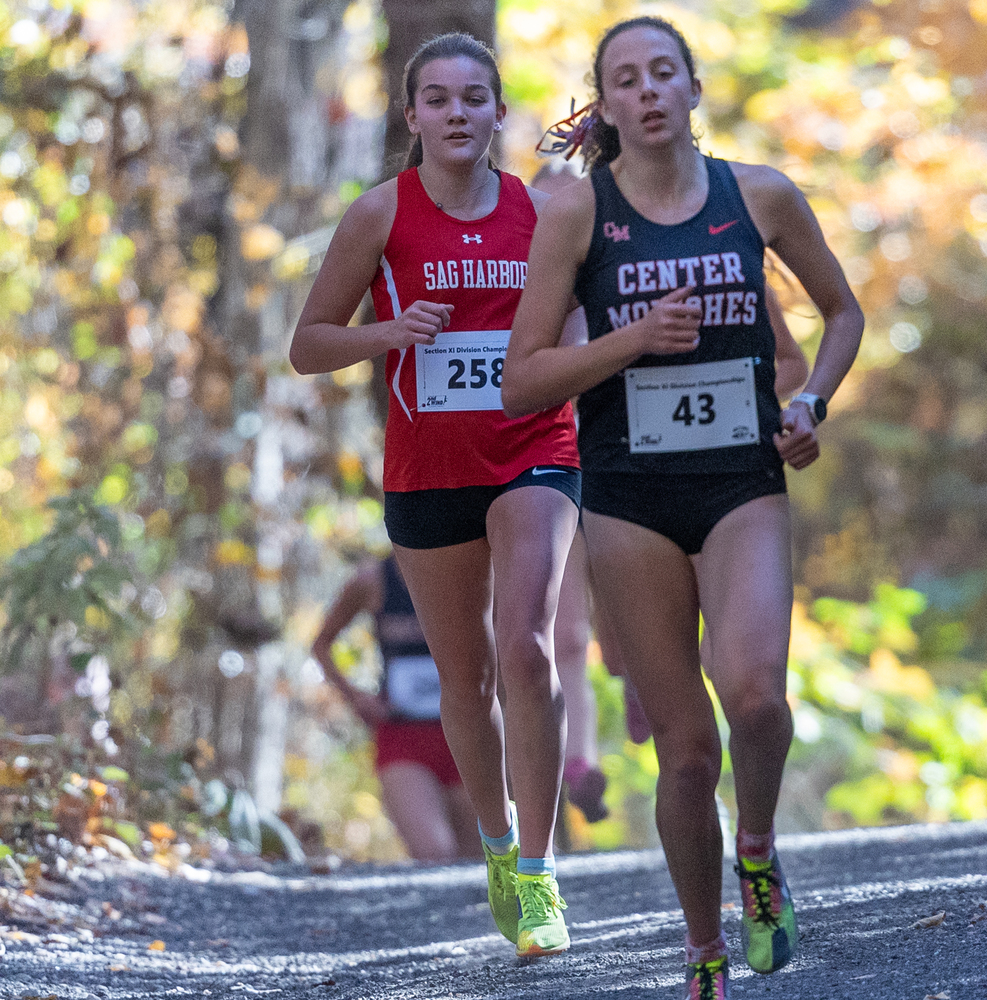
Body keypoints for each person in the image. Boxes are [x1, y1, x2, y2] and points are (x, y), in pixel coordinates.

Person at [505, 16, 863, 998]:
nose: (650, 90)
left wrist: (810, 401)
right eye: (628, 79)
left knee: (755, 695)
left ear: (694, 90)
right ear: (607, 107)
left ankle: (758, 850)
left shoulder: (761, 195)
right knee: (684, 751)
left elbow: (843, 312)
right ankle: (704, 949)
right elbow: (522, 379)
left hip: (743, 479)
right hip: (629, 497)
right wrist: (631, 341)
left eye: (666, 72)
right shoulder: (580, 214)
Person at [289, 32, 579, 959]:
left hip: (535, 448)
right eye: (439, 99)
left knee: (526, 644)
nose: (458, 113)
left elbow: (578, 315)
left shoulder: (541, 213)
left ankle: (537, 873)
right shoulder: (380, 215)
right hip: (429, 468)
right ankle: (495, 845)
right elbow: (309, 344)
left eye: (475, 98)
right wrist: (391, 333)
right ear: (412, 116)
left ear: (500, 113)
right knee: (470, 678)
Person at [310, 556, 482, 862]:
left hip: (470, 735)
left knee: (480, 860)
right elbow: (322, 644)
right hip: (403, 737)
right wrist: (356, 697)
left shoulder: (472, 566)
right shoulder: (373, 580)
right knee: (434, 852)